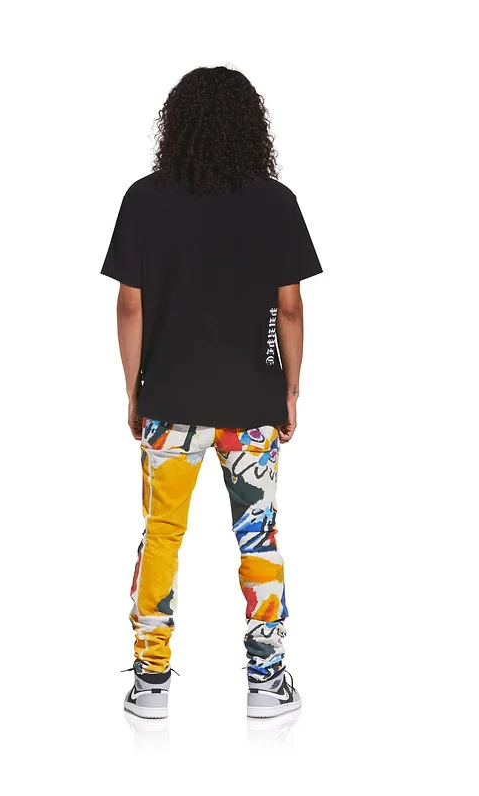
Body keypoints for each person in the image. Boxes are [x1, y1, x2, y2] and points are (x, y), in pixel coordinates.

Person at [101, 66, 322, 719]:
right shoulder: (274, 202)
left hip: (169, 403)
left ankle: (150, 683)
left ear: (176, 125)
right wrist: (290, 388)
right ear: (252, 128)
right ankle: (266, 683)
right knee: (258, 536)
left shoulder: (145, 199)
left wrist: (134, 391)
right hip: (251, 405)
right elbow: (289, 307)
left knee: (162, 534)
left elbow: (130, 306)